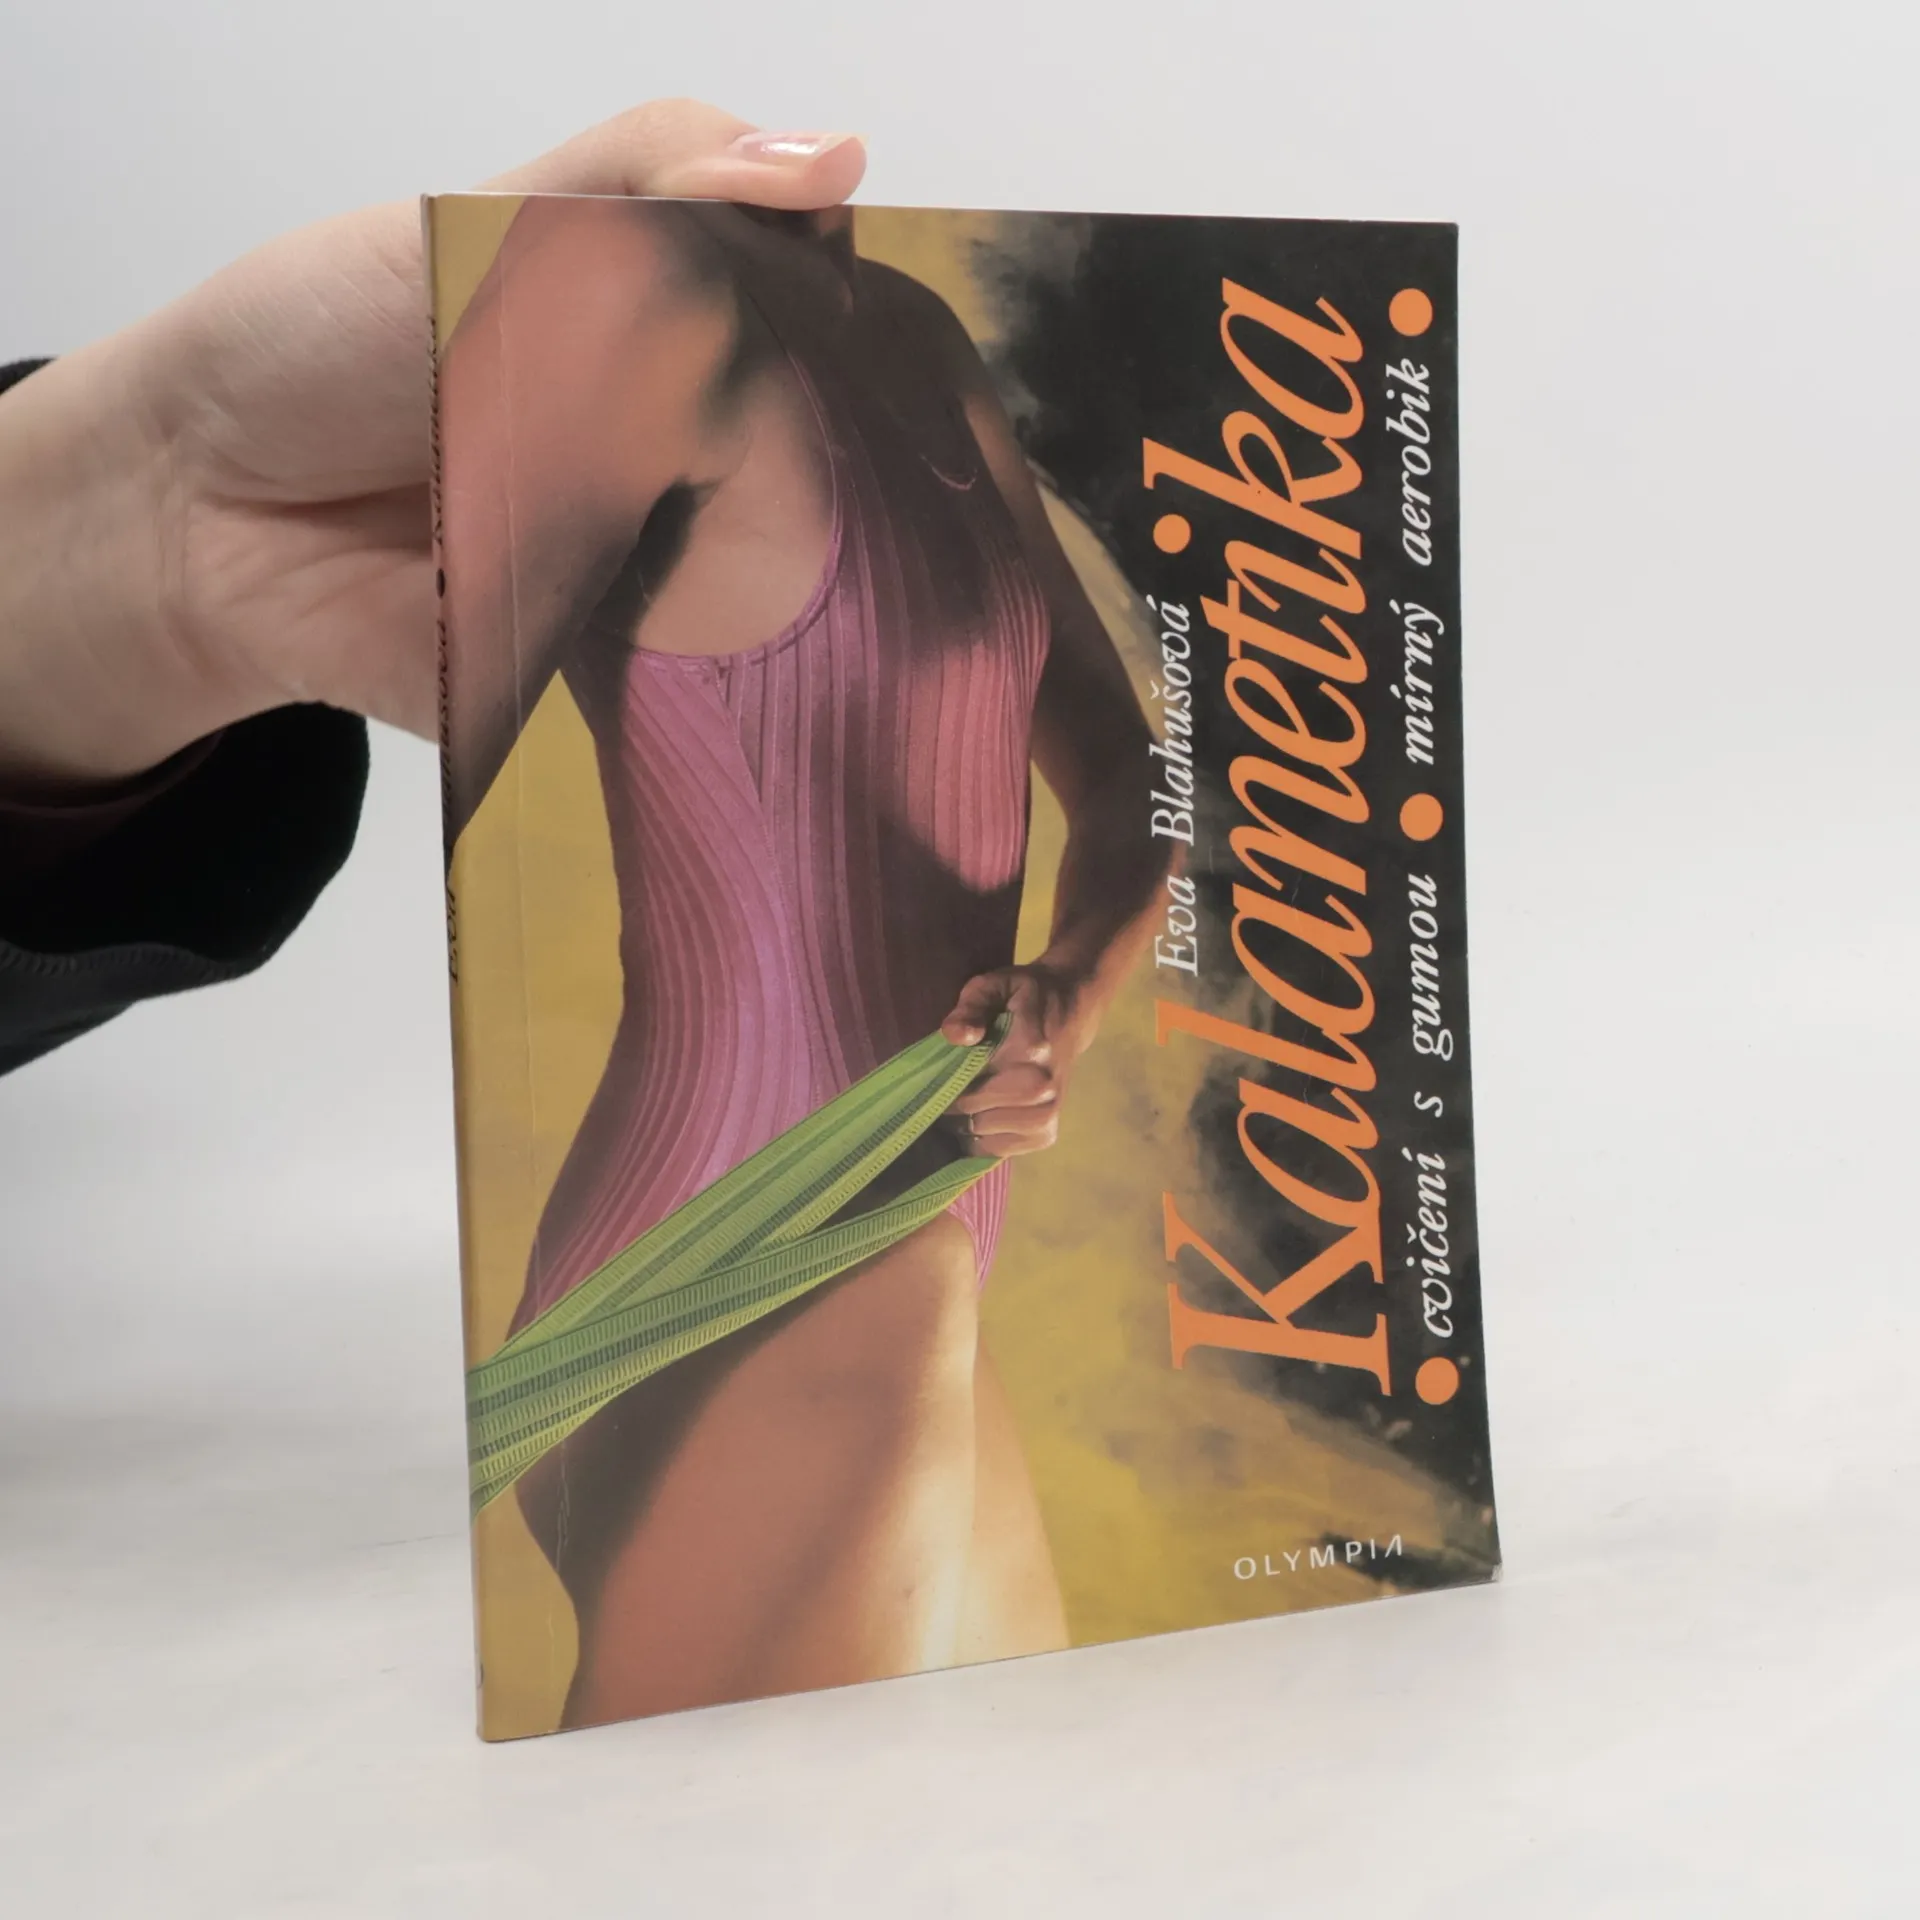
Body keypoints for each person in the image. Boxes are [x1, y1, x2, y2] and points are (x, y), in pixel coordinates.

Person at [0, 100, 1166, 1724]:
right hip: (751, 1245)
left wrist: (1065, 999)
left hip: (921, 1214)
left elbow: (1126, 768)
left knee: (1020, 1803)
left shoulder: (914, 333)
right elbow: (452, 738)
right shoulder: (632, 291)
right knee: (737, 1832)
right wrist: (155, 504)